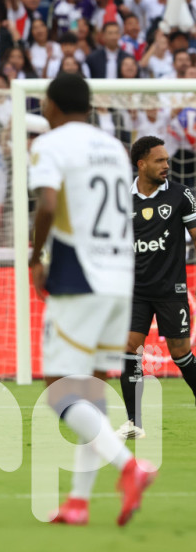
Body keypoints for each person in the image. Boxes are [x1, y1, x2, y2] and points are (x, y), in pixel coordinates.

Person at [28, 73, 155, 526]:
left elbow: (46, 204)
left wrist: (35, 255)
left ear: (53, 105)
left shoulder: (52, 144)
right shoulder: (113, 149)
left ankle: (129, 468)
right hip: (120, 276)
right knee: (90, 391)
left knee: (59, 390)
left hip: (77, 273)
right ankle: (78, 502)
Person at [117, 136, 196, 440]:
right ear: (142, 164)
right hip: (135, 290)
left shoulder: (181, 195)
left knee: (181, 354)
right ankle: (134, 422)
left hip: (170, 289)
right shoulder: (122, 198)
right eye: (159, 160)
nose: (167, 165)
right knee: (129, 348)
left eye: (166, 160)